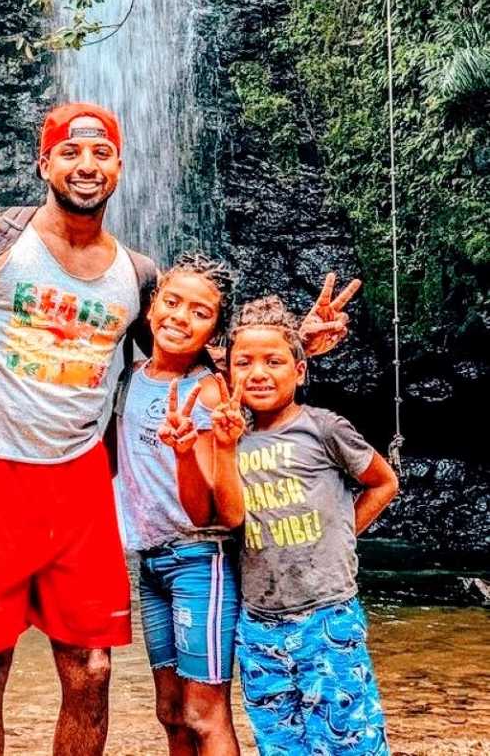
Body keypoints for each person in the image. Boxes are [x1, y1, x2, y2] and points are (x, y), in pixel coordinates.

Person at [0, 101, 356, 756]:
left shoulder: (139, 275)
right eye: (70, 152)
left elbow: (187, 354)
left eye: (101, 154)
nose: (86, 165)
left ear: (118, 166)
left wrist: (295, 345)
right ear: (44, 162)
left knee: (91, 671)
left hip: (82, 484)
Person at [117, 256, 360, 756]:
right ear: (150, 305)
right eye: (172, 302)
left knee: (204, 714)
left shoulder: (212, 390)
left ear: (213, 335)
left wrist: (301, 338)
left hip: (200, 559)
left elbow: (262, 365)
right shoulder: (131, 375)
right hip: (151, 560)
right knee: (170, 712)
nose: (181, 317)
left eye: (201, 312)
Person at [167, 295, 398, 756]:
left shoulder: (324, 428)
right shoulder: (232, 438)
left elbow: (383, 482)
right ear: (227, 373)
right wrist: (218, 450)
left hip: (328, 614)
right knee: (280, 744)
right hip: (259, 624)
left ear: (300, 369)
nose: (258, 373)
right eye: (244, 362)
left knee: (348, 739)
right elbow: (231, 518)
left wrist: (342, 536)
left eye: (274, 361)